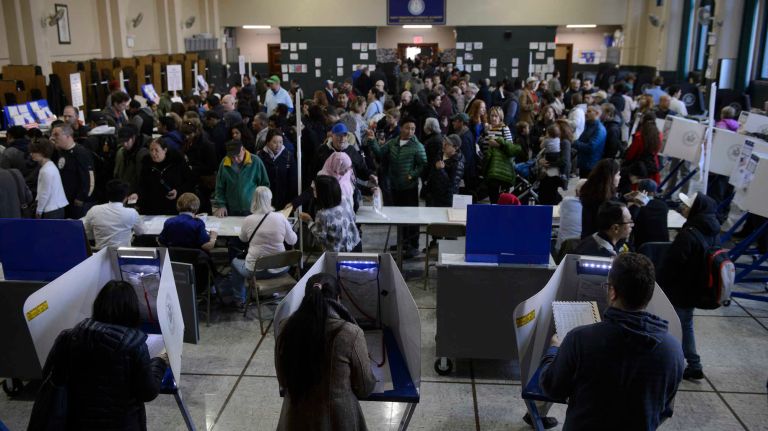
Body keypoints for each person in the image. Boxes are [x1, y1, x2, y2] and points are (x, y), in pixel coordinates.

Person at [538, 253, 684, 429]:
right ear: (649, 293)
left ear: (612, 291)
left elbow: (551, 388)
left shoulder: (579, 340)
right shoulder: (673, 350)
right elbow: (665, 409)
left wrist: (554, 349)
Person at [31, 280, 169, 430]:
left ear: (98, 305)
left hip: (75, 423)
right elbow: (147, 392)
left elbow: (48, 377)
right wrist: (160, 362)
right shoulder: (134, 346)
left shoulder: (67, 338)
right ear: (132, 310)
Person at [275, 273, 376, 430]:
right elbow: (365, 388)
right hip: (338, 421)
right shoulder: (349, 333)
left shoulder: (285, 327)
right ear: (338, 298)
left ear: (306, 297)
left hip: (294, 419)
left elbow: (283, 381)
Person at [659, 193, 720, 381]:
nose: (682, 208)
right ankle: (692, 363)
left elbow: (672, 263)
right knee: (685, 324)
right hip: (696, 288)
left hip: (680, 290)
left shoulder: (688, 234)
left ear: (696, 209)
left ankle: (686, 363)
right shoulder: (712, 229)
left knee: (675, 325)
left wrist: (659, 283)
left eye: (686, 206)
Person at [221, 186, 297, 307]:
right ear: (270, 200)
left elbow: (243, 239)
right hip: (281, 268)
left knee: (235, 263)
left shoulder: (248, 220)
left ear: (254, 200)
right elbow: (293, 240)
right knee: (273, 258)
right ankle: (273, 293)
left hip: (255, 270)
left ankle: (239, 299)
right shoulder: (281, 218)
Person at [366, 117, 426, 257]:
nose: (410, 131)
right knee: (399, 217)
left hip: (409, 188)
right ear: (401, 127)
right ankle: (402, 242)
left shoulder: (417, 146)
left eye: (412, 129)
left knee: (411, 217)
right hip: (395, 186)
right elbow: (380, 153)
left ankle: (413, 245)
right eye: (407, 128)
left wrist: (411, 175)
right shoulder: (393, 143)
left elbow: (423, 164)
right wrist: (372, 140)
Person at [301, 175, 361, 252]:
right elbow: (353, 218)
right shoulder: (345, 200)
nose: (313, 192)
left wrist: (308, 221)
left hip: (340, 254)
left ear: (323, 194)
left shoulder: (323, 215)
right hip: (356, 244)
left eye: (315, 190)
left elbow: (320, 238)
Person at [213, 140, 270, 217]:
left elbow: (264, 186)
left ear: (243, 149)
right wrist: (221, 205)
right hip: (231, 209)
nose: (236, 159)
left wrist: (262, 205)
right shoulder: (224, 163)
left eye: (238, 155)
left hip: (252, 209)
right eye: (232, 157)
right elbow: (219, 187)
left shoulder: (256, 161)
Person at [82, 179, 145, 249]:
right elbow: (140, 232)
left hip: (100, 255)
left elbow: (87, 234)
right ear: (125, 197)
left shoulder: (94, 210)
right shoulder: (132, 212)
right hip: (123, 255)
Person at [50, 123, 94, 219]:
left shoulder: (81, 153)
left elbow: (89, 178)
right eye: (52, 134)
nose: (52, 138)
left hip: (77, 202)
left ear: (68, 136)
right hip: (63, 200)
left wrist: (81, 197)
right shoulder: (59, 152)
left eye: (56, 135)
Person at [138, 139, 191, 215]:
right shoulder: (147, 163)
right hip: (152, 206)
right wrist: (137, 194)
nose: (153, 153)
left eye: (156, 150)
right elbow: (142, 183)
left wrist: (178, 191)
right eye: (151, 150)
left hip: (173, 206)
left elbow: (189, 181)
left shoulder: (177, 162)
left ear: (165, 150)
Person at [483, 106, 521, 204]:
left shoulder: (504, 128)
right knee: (493, 196)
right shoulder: (489, 129)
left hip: (501, 169)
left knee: (500, 199)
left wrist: (498, 145)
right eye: (492, 116)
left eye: (496, 116)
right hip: (490, 168)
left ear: (501, 117)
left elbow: (511, 148)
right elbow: (485, 147)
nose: (494, 118)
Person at [258, 128, 298, 210]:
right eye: (274, 142)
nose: (278, 145)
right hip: (265, 199)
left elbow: (293, 180)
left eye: (280, 142)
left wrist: (291, 200)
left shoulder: (288, 156)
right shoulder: (260, 156)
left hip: (284, 199)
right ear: (268, 142)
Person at [580, 159, 621, 238]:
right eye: (618, 174)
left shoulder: (589, 193)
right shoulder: (611, 203)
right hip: (602, 244)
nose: (620, 177)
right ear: (611, 177)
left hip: (587, 241)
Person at [28, 138, 68, 219]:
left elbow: (44, 193)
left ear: (43, 152)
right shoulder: (50, 166)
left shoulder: (46, 170)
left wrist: (39, 210)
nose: (31, 154)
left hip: (51, 210)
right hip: (56, 207)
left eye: (34, 151)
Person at [627, 179, 669, 249]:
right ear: (654, 192)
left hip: (642, 247)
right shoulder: (663, 205)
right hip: (663, 246)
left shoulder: (635, 207)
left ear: (638, 191)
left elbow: (630, 219)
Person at [426, 134, 465, 207]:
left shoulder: (458, 163)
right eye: (444, 142)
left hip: (444, 201)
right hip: (432, 196)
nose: (443, 145)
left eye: (447, 144)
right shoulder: (440, 154)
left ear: (455, 147)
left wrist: (441, 170)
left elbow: (450, 186)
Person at [624, 113, 662, 185]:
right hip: (653, 164)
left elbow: (631, 154)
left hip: (639, 167)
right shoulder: (659, 135)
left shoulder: (639, 136)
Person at [113, 125, 149, 201]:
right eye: (122, 141)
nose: (124, 144)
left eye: (127, 141)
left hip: (135, 195)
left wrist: (136, 193)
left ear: (133, 138)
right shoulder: (122, 151)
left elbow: (142, 179)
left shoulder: (142, 154)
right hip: (124, 192)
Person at [573, 105, 607, 178]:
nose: (586, 113)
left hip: (591, 164)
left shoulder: (599, 129)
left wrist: (574, 143)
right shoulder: (588, 125)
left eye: (589, 111)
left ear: (597, 113)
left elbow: (591, 147)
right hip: (584, 163)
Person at [555, 178, 587, 251]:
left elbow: (560, 213)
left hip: (562, 248)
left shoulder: (566, 201)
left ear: (576, 191)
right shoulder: (594, 206)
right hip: (583, 249)